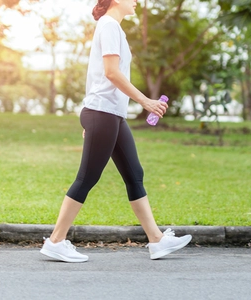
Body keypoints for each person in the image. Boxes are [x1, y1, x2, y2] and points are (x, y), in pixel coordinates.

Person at [40, 0, 192, 263]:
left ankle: (156, 240)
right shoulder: (109, 25)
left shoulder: (114, 28)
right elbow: (111, 73)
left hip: (111, 115)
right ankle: (55, 241)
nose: (135, 1)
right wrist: (146, 102)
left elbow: (106, 74)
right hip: (103, 113)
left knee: (135, 174)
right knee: (87, 178)